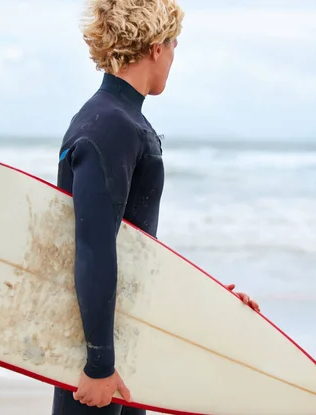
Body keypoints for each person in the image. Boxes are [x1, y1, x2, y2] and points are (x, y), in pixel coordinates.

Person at [53, 1, 259, 413]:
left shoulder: (118, 120)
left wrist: (205, 297)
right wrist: (98, 364)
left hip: (121, 349)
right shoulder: (111, 125)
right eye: (175, 44)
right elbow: (94, 247)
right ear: (155, 48)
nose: (174, 58)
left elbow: (135, 251)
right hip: (100, 362)